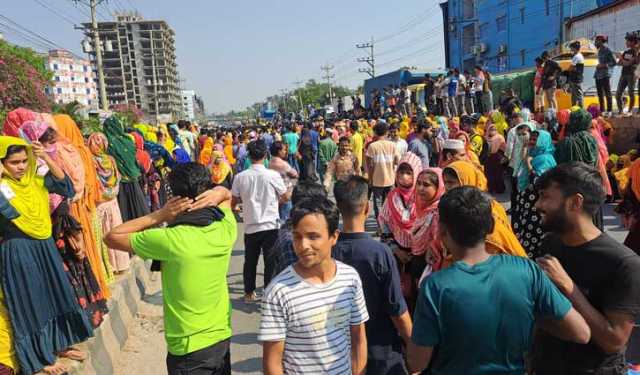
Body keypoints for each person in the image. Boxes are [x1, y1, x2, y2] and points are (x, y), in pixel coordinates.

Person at [407, 186, 591, 374]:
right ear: (491, 226)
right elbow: (581, 332)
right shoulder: (527, 271)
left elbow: (417, 363)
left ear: (442, 231)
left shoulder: (435, 286)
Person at [104, 163, 236, 375]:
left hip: (188, 350)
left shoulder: (169, 240)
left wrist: (160, 215)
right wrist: (219, 191)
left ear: (174, 198)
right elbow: (228, 198)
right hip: (221, 339)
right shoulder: (225, 229)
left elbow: (112, 237)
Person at [533, 162, 640, 374]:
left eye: (546, 197)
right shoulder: (551, 243)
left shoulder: (624, 263)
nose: (537, 204)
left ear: (574, 202)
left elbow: (613, 341)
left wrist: (568, 286)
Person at [0, 136, 93, 375]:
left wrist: (45, 158)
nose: (20, 166)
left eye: (23, 160)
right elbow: (8, 211)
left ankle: (60, 344)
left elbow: (66, 188)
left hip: (44, 245)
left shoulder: (36, 178)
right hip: (18, 249)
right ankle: (40, 357)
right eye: (13, 162)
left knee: (54, 293)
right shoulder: (3, 187)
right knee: (30, 303)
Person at [259, 197, 369, 374]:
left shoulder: (350, 279)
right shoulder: (278, 292)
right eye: (297, 237)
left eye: (313, 237)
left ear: (334, 237)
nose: (303, 246)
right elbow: (272, 362)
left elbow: (358, 338)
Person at [333, 176, 412, 375]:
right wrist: (413, 344)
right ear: (367, 207)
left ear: (339, 208)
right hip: (381, 352)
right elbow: (397, 310)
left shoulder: (330, 252)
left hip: (339, 351)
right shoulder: (379, 253)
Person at [232, 140, 287, 302]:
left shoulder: (240, 177)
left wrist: (238, 206)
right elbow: (285, 196)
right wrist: (275, 201)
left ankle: (249, 293)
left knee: (250, 261)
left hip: (251, 225)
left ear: (249, 155)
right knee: (270, 262)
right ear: (265, 155)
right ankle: (268, 294)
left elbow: (233, 200)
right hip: (270, 225)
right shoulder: (272, 175)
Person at [442, 160, 527, 256]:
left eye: (451, 182)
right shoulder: (451, 205)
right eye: (445, 182)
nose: (446, 187)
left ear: (467, 181)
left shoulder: (487, 213)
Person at [87, 132, 130, 274]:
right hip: (112, 201)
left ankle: (108, 267)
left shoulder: (90, 161)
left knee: (102, 234)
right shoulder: (110, 160)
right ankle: (120, 264)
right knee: (115, 230)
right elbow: (117, 178)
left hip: (99, 203)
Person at [512, 129, 556, 259]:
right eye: (530, 139)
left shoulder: (544, 159)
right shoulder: (533, 155)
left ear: (543, 142)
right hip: (528, 205)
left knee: (533, 239)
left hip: (536, 207)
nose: (531, 142)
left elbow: (539, 182)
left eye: (535, 140)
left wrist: (528, 163)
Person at [103, 116, 150, 222]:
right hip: (134, 182)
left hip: (118, 185)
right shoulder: (128, 141)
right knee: (139, 214)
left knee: (123, 215)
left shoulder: (107, 145)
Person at [366, 122, 401, 224]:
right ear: (386, 132)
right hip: (390, 180)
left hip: (377, 181)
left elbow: (370, 165)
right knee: (389, 204)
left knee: (378, 204)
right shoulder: (393, 145)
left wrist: (370, 179)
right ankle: (389, 224)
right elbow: (397, 162)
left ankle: (381, 226)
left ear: (375, 132)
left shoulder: (372, 146)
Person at [269, 141, 298, 222]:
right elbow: (295, 174)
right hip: (285, 193)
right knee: (285, 219)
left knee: (278, 217)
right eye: (284, 150)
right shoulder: (283, 164)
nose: (286, 151)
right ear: (279, 151)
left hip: (275, 194)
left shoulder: (270, 162)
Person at [594, 35, 617, 115]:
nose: (595, 42)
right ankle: (602, 110)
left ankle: (609, 110)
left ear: (600, 40)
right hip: (598, 75)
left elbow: (614, 62)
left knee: (607, 93)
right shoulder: (599, 50)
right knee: (600, 94)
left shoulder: (608, 49)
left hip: (605, 74)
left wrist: (603, 65)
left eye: (596, 41)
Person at [617, 32, 638, 115]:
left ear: (632, 42)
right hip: (623, 74)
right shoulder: (626, 52)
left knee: (631, 93)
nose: (626, 43)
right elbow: (619, 63)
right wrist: (622, 59)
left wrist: (621, 58)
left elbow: (627, 63)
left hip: (631, 74)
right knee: (618, 94)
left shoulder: (636, 52)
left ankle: (630, 110)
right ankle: (620, 110)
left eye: (627, 41)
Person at [484, 123, 507, 194]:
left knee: (498, 174)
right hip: (488, 158)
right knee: (489, 174)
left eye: (494, 129)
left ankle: (499, 189)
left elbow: (504, 148)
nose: (492, 130)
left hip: (497, 157)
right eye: (491, 129)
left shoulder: (500, 137)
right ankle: (491, 188)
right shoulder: (486, 137)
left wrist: (505, 157)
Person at [567, 41, 585, 108]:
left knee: (579, 96)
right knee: (574, 96)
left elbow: (571, 67)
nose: (571, 50)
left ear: (574, 48)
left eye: (571, 48)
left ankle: (582, 110)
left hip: (576, 79)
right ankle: (574, 109)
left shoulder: (577, 56)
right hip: (574, 79)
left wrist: (569, 69)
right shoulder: (576, 56)